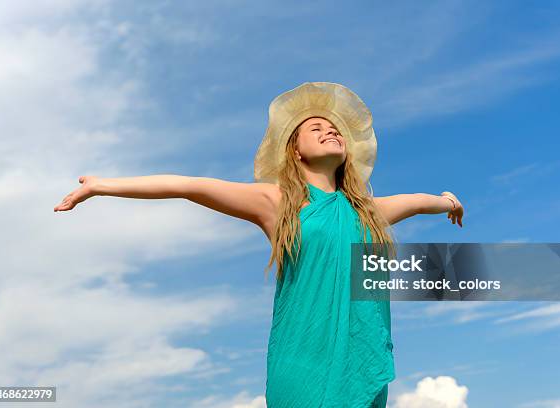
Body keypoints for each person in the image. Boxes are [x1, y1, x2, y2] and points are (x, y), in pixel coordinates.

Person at [54, 82, 464, 407]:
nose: (330, 131)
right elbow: (189, 186)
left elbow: (417, 202)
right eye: (315, 129)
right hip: (302, 361)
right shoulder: (277, 203)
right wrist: (102, 186)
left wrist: (447, 200)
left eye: (334, 128)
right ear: (297, 152)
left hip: (361, 363)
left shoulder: (367, 211)